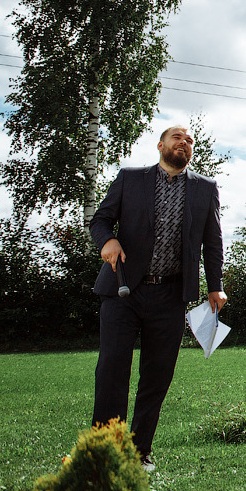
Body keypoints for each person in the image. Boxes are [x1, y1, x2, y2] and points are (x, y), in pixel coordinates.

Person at [89, 124, 227, 471]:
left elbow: (213, 242)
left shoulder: (205, 189)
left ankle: (138, 452)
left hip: (171, 295)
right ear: (161, 144)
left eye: (190, 140)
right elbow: (100, 220)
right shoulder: (130, 178)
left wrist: (215, 285)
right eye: (177, 137)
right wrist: (107, 241)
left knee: (158, 374)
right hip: (123, 291)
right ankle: (106, 450)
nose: (185, 142)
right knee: (112, 370)